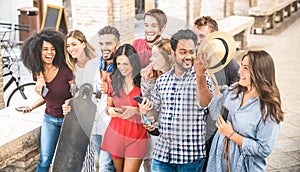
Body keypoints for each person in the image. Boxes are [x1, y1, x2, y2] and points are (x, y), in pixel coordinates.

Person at [139, 29, 214, 172]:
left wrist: (200, 75)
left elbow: (206, 103)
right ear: (173, 53)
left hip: (190, 158)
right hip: (162, 156)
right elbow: (154, 111)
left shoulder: (202, 78)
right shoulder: (162, 80)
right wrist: (147, 117)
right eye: (183, 52)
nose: (188, 56)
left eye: (191, 52)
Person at [206, 50, 284, 172]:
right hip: (217, 162)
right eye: (241, 65)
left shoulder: (269, 109)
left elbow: (264, 149)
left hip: (243, 167)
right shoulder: (233, 90)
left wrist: (231, 134)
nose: (239, 71)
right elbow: (215, 113)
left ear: (259, 72)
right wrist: (215, 86)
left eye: (246, 68)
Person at [19, 28, 74, 172]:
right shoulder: (37, 73)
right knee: (44, 160)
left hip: (68, 121)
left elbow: (77, 93)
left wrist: (70, 102)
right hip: (49, 118)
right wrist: (31, 107)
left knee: (66, 162)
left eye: (53, 49)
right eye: (45, 49)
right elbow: (48, 97)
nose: (50, 53)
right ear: (37, 51)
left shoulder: (65, 70)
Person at [193, 16, 240, 170]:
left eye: (203, 37)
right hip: (193, 131)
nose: (199, 42)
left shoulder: (229, 64)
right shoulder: (191, 59)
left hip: (214, 130)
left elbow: (239, 96)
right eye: (196, 37)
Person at [101, 44, 148, 172]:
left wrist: (136, 110)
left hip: (137, 135)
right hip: (115, 134)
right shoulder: (113, 80)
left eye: (126, 64)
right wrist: (109, 111)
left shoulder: (143, 81)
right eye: (119, 64)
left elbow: (152, 111)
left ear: (133, 62)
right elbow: (108, 106)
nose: (122, 68)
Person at [63, 29, 99, 171]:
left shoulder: (96, 64)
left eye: (74, 44)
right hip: (81, 116)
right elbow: (77, 94)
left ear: (83, 43)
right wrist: (69, 103)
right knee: (84, 156)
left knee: (91, 156)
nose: (70, 49)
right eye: (68, 46)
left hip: (96, 114)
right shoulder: (73, 68)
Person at [140, 38, 174, 172]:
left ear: (167, 57)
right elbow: (148, 107)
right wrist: (144, 115)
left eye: (155, 56)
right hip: (155, 133)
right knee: (150, 164)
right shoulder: (149, 78)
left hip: (175, 136)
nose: (150, 60)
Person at [97, 25, 121, 172]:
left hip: (116, 123)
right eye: (101, 43)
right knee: (105, 163)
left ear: (117, 44)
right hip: (99, 120)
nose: (104, 47)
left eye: (108, 43)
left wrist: (111, 89)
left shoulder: (121, 65)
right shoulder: (99, 63)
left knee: (106, 164)